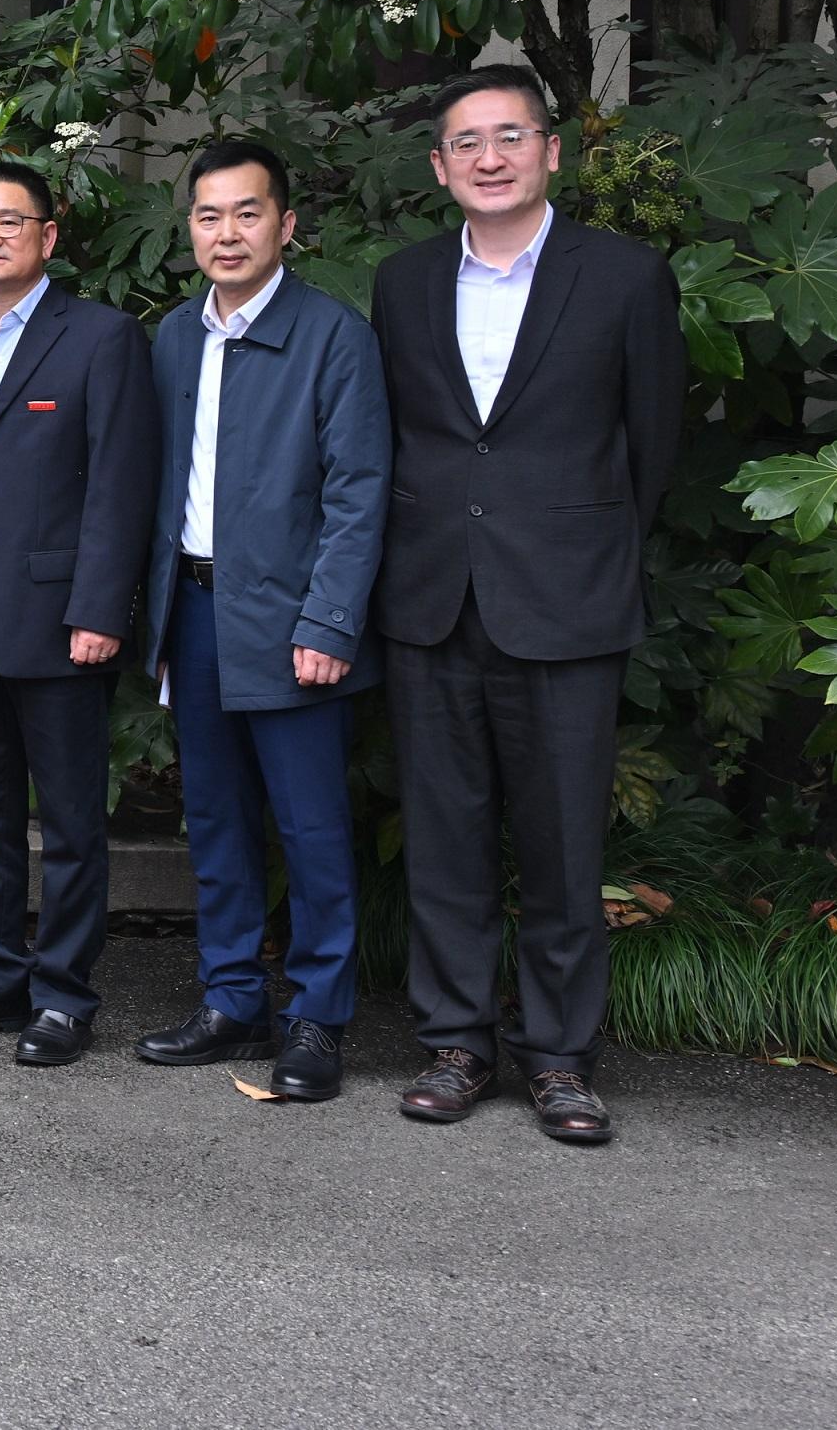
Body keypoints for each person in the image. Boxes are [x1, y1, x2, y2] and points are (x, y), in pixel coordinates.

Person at [371, 64, 680, 1144]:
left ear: (551, 150)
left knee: (559, 848)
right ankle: (454, 1043)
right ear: (438, 166)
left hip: (567, 598)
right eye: (466, 142)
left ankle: (557, 1057)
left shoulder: (625, 278)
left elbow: (650, 448)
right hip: (430, 599)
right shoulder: (402, 282)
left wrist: (580, 548)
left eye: (509, 136)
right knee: (445, 839)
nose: (488, 157)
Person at [133, 140, 389, 1103]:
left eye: (247, 213)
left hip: (291, 622)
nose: (226, 232)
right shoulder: (172, 337)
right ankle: (231, 996)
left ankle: (318, 1015)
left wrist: (329, 619)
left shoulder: (333, 335)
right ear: (189, 227)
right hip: (191, 612)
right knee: (215, 819)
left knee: (312, 825)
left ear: (285, 224)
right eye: (208, 215)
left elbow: (360, 491)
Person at [0, 161, 159, 1066]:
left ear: (48, 236)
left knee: (68, 818)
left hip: (63, 619)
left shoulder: (101, 337)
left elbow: (121, 486)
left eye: (7, 221)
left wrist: (102, 607)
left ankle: (63, 994)